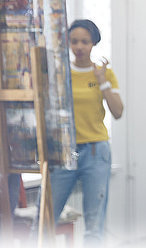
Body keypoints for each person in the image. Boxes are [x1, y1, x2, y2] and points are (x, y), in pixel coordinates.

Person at [49, 19, 123, 245]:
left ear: (93, 43)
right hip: (65, 151)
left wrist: (101, 81)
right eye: (74, 42)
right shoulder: (61, 72)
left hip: (95, 150)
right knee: (47, 215)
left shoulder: (105, 73)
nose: (79, 47)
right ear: (68, 43)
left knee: (94, 222)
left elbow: (118, 111)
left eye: (84, 42)